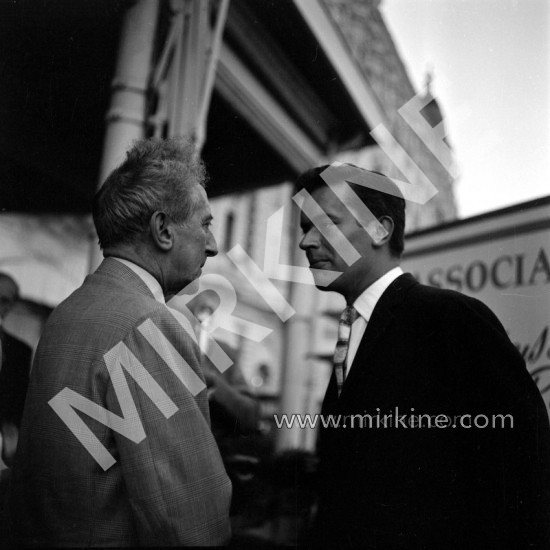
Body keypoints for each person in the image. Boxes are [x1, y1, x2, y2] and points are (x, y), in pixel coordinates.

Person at [296, 165, 550, 549]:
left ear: (381, 229)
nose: (307, 242)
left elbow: (523, 467)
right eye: (303, 228)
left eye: (326, 224)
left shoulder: (450, 318)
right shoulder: (353, 330)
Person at [6, 138, 232, 547]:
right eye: (205, 224)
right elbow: (187, 517)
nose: (213, 245)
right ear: (162, 230)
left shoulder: (67, 313)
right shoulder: (148, 324)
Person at [0, 273, 32, 467]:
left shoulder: (20, 351)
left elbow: (19, 403)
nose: (6, 307)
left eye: (9, 301)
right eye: (3, 300)